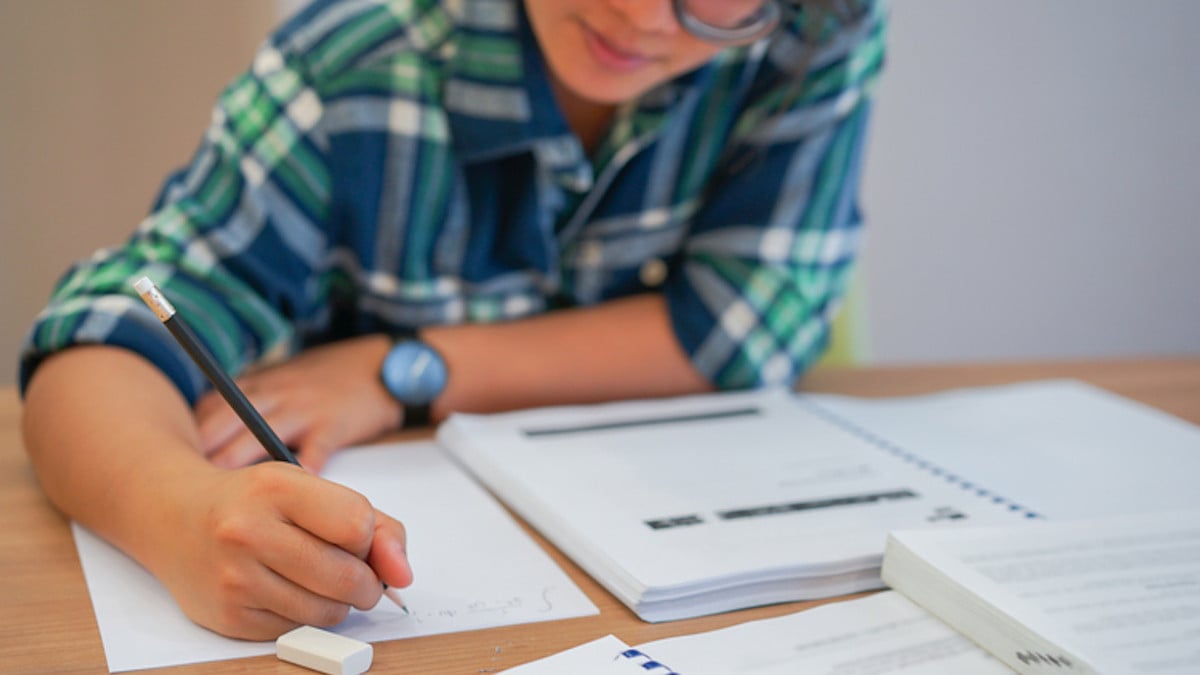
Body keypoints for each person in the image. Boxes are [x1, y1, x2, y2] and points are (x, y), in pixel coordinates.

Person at [19, 0, 885, 640]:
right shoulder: (354, 59)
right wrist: (181, 517)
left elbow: (750, 322)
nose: (642, 16)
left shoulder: (815, 34)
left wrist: (402, 370)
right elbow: (101, 339)